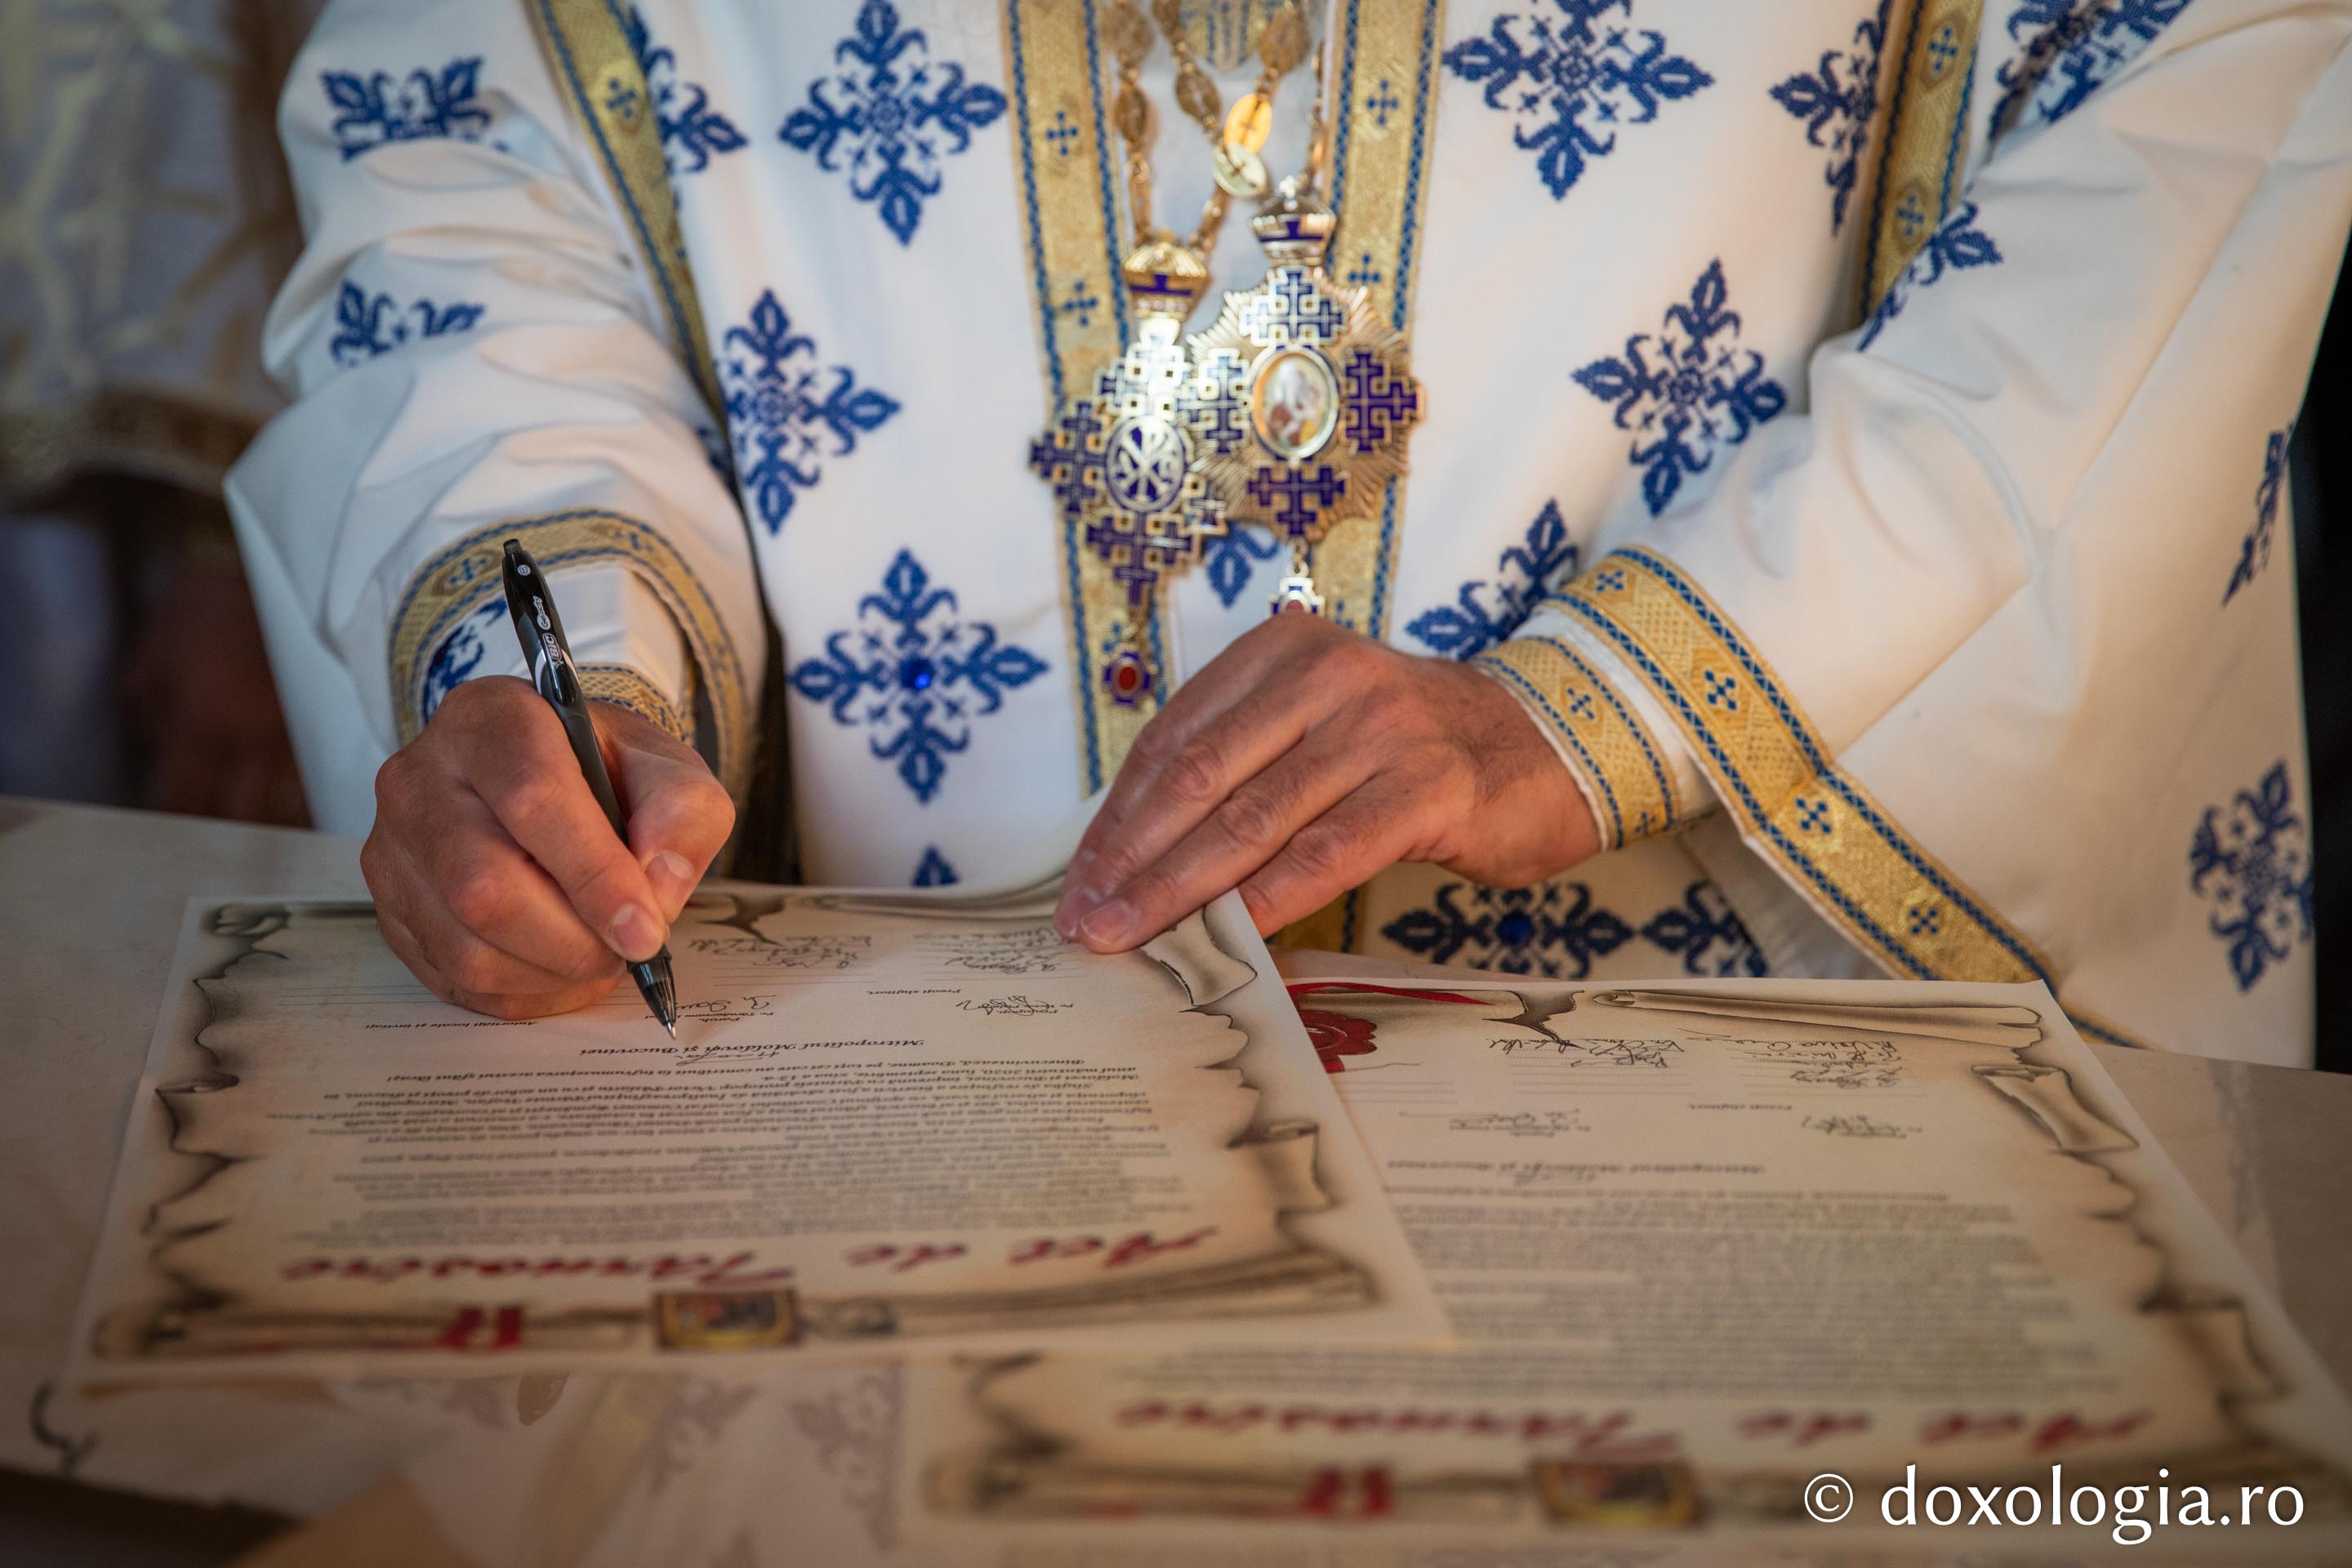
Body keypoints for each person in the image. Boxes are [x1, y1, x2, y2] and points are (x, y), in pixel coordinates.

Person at [226, 0, 2350, 1063]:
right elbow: (479, 177)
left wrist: (1619, 700)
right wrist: (557, 674)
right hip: (886, 1115)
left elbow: (2197, 104)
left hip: (1755, 1127)